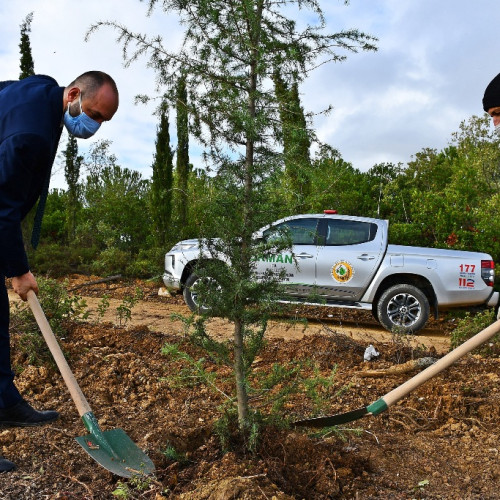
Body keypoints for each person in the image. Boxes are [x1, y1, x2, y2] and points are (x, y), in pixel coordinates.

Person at [0, 71, 119, 472]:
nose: (94, 126)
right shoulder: (30, 134)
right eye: (95, 114)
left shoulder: (43, 89)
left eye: (103, 121)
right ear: (73, 94)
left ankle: (5, 402)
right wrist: (18, 270)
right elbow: (3, 208)